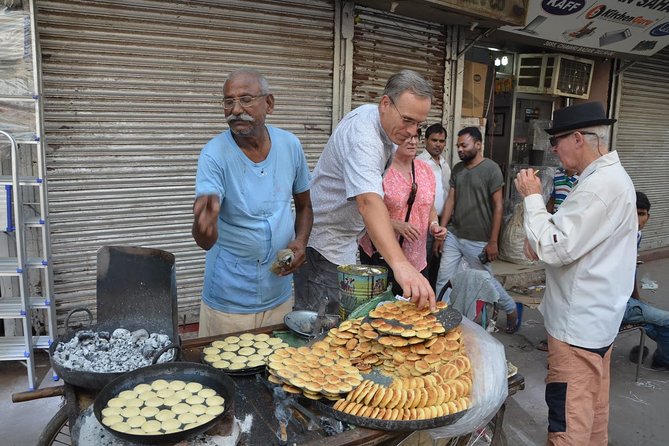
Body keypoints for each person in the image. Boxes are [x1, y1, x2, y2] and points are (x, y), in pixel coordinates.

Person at [514, 101, 637, 446]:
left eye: (557, 141)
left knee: (568, 421)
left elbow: (555, 246)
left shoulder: (601, 186)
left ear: (579, 139)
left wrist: (532, 198)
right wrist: (540, 236)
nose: (554, 149)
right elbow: (564, 239)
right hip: (596, 322)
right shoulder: (603, 179)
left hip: (577, 328)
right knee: (592, 415)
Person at [294, 69, 436, 313]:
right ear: (385, 104)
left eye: (419, 124)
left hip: (345, 242)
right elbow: (368, 202)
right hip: (323, 247)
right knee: (323, 331)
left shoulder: (382, 124)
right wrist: (401, 264)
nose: (413, 132)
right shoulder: (364, 138)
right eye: (408, 120)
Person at [192, 69, 313, 337]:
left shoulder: (290, 145)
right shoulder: (214, 155)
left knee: (275, 371)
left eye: (246, 99)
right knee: (224, 373)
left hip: (279, 292)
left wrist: (301, 242)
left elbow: (304, 205)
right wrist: (204, 221)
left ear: (269, 103)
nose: (235, 110)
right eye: (228, 102)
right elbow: (204, 242)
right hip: (229, 301)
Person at [434, 126, 519, 333]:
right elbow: (451, 201)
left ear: (478, 144)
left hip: (479, 239)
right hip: (454, 234)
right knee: (444, 279)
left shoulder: (491, 169)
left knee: (485, 280)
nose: (460, 150)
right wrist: (441, 232)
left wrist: (493, 241)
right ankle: (441, 320)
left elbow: (498, 206)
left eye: (464, 145)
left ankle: (510, 308)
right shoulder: (457, 169)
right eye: (458, 146)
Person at [358, 135, 447, 294]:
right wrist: (394, 224)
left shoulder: (425, 170)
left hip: (418, 259)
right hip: (383, 257)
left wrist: (434, 226)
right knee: (382, 312)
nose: (413, 141)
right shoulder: (380, 172)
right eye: (407, 137)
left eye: (416, 137)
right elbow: (363, 209)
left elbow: (430, 207)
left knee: (414, 311)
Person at [624, 191, 669, 371]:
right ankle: (662, 361)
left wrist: (637, 299)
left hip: (625, 301)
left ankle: (662, 357)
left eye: (641, 214)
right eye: (633, 213)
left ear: (648, 217)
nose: (637, 218)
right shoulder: (617, 238)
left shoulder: (636, 235)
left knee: (656, 322)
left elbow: (631, 270)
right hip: (612, 305)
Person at [417, 123, 451, 288]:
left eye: (442, 141)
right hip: (425, 222)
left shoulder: (444, 164)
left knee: (438, 262)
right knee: (424, 262)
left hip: (442, 221)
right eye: (434, 140)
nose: (438, 144)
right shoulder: (418, 163)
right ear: (425, 141)